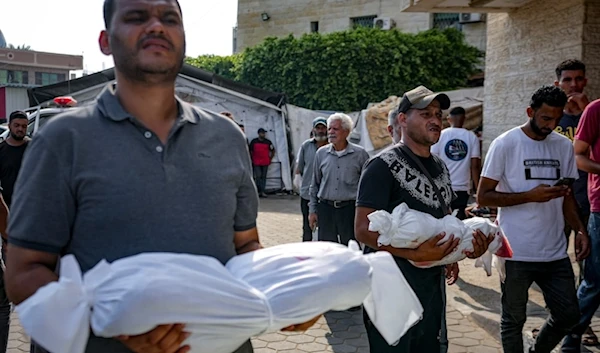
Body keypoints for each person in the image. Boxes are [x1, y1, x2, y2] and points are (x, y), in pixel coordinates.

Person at [4, 1, 316, 353]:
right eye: (137, 17)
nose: (156, 26)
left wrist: (284, 289)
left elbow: (244, 245)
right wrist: (111, 321)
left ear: (183, 38)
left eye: (169, 18)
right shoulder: (62, 140)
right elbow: (24, 272)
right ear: (105, 41)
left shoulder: (227, 137)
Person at [355, 85, 493, 352]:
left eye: (438, 114)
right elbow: (362, 229)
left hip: (430, 286)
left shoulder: (441, 166)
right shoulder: (381, 166)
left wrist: (452, 254)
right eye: (425, 113)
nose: (435, 120)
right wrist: (414, 254)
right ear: (403, 120)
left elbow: (443, 220)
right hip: (389, 286)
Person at [477, 85, 590, 353]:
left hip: (554, 253)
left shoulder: (563, 146)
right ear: (530, 112)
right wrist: (529, 196)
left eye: (557, 119)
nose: (551, 125)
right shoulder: (505, 143)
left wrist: (581, 231)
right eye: (545, 118)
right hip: (515, 251)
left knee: (569, 316)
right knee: (513, 320)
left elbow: (568, 197)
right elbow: (484, 197)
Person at [561, 97, 600, 352]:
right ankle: (570, 337)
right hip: (595, 207)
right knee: (594, 279)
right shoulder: (595, 109)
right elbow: (578, 156)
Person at [309, 113, 369, 246]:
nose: (330, 132)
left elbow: (367, 187)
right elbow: (315, 184)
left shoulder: (360, 155)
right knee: (326, 249)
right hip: (326, 209)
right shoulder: (321, 153)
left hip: (349, 210)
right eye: (329, 129)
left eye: (335, 129)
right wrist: (312, 211)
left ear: (346, 132)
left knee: (351, 247)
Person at [431, 107, 481, 220]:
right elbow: (475, 167)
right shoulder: (472, 137)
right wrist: (478, 191)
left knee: (442, 219)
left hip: (442, 187)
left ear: (449, 119)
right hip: (462, 188)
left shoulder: (440, 135)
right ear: (464, 119)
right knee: (459, 220)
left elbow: (431, 161)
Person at [295, 117, 328, 242]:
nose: (320, 131)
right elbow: (301, 167)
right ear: (313, 129)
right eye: (318, 128)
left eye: (323, 128)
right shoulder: (306, 146)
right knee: (307, 226)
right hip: (307, 194)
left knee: (326, 227)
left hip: (325, 196)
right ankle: (306, 254)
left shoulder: (333, 146)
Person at [0, 111, 30, 207]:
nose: (20, 129)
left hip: (29, 204)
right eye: (16, 125)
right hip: (7, 206)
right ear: (9, 126)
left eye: (24, 126)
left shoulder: (33, 148)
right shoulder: (1, 150)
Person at [249, 128, 275, 198]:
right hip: (256, 162)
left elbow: (272, 150)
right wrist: (252, 159)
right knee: (258, 176)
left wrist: (270, 159)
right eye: (262, 133)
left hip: (265, 162)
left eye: (264, 133)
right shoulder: (254, 141)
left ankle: (262, 191)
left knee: (263, 177)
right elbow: (250, 151)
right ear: (259, 134)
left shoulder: (268, 142)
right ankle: (257, 191)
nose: (263, 134)